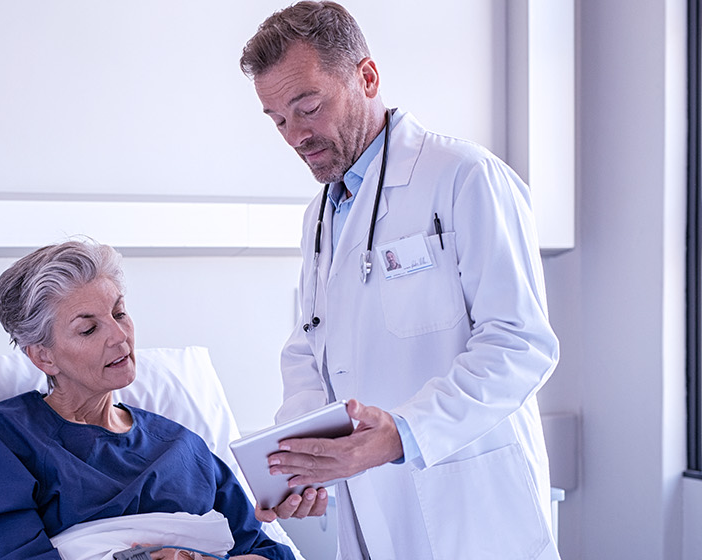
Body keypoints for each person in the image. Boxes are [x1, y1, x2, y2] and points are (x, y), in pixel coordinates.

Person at [238, 3, 561, 559]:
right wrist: (301, 461)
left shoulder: (464, 177)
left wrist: (405, 433)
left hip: (470, 505)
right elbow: (310, 352)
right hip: (372, 507)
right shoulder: (321, 216)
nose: (295, 135)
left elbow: (519, 343)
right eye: (278, 120)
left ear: (366, 77)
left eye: (308, 107)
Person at [0, 240, 295, 560]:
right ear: (43, 357)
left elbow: (266, 552)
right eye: (88, 328)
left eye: (120, 313)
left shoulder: (184, 447)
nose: (118, 335)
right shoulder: (8, 437)